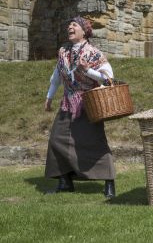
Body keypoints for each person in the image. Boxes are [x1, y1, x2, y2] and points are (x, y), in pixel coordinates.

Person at [44, 16, 116, 199]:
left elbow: (109, 79)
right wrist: (49, 97)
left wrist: (88, 70)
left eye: (74, 24)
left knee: (95, 142)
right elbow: (57, 77)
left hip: (89, 104)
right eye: (69, 24)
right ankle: (65, 181)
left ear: (84, 31)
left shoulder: (94, 53)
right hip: (67, 103)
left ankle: (109, 183)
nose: (70, 26)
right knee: (57, 140)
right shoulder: (63, 52)